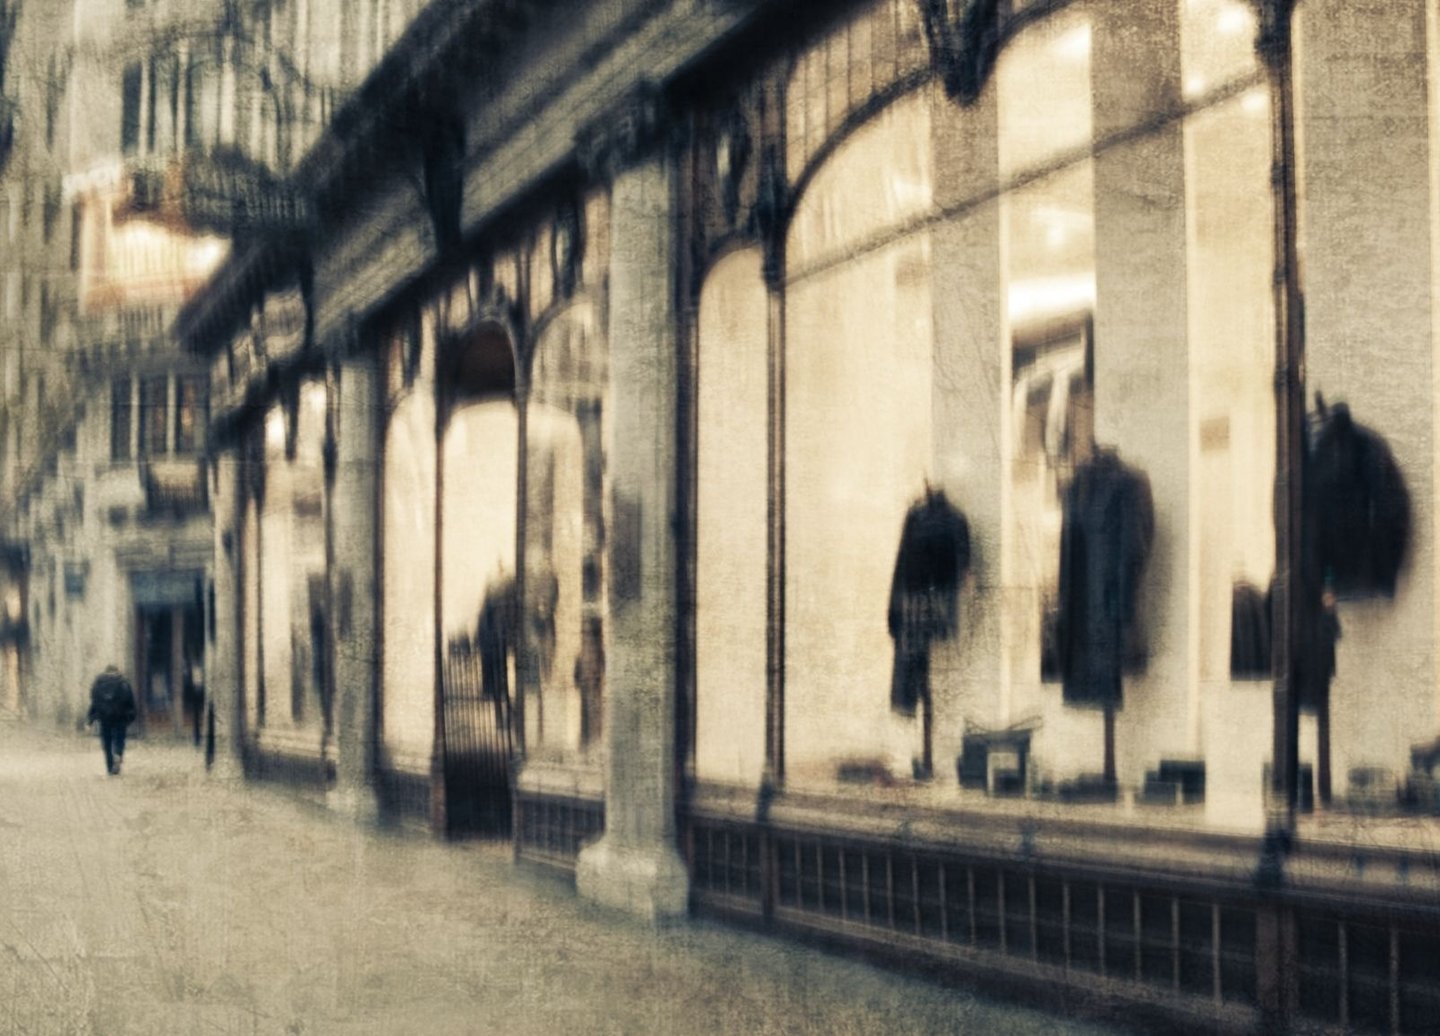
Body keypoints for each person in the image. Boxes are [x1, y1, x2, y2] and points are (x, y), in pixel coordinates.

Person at [86, 665, 137, 776]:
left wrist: (91, 718)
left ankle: (110, 767)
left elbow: (94, 701)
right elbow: (130, 699)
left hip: (104, 717)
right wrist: (131, 715)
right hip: (120, 715)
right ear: (117, 671)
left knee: (107, 742)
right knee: (119, 738)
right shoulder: (123, 681)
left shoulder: (98, 682)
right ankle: (118, 754)